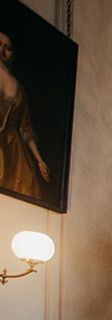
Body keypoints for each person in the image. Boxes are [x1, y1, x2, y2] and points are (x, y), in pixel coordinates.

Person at [0, 30, 51, 200]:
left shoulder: (19, 88)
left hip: (14, 150)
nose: (2, 51)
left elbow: (25, 127)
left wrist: (39, 160)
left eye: (8, 48)